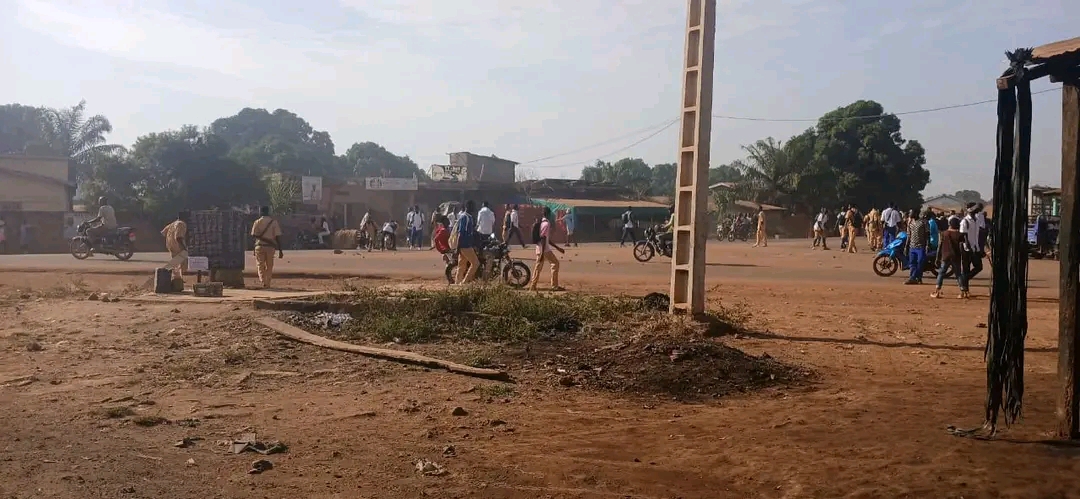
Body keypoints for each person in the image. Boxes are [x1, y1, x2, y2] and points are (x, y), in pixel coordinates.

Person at [529, 207, 565, 291]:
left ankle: (533, 286)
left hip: (540, 248)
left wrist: (557, 248)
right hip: (544, 249)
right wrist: (542, 253)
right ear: (548, 214)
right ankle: (554, 286)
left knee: (538, 268)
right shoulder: (547, 224)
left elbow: (546, 239)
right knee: (555, 263)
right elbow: (543, 238)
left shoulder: (542, 222)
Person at [931, 217, 969, 299]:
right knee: (958, 274)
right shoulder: (960, 235)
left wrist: (937, 258)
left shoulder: (944, 234)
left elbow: (939, 246)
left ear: (949, 225)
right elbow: (964, 246)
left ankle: (937, 291)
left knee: (941, 273)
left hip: (946, 256)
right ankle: (963, 291)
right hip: (956, 256)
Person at [250, 206, 283, 288]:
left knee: (260, 264)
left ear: (260, 212)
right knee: (269, 265)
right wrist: (280, 250)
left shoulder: (257, 222)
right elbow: (278, 237)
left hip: (259, 246)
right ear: (268, 212)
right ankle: (267, 282)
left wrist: (253, 247)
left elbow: (254, 235)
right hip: (270, 247)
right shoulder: (274, 222)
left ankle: (263, 279)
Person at [454, 201, 479, 284]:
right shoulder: (465, 217)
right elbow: (461, 233)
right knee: (475, 263)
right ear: (468, 207)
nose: (474, 209)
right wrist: (457, 247)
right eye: (473, 207)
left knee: (461, 265)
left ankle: (457, 283)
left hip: (466, 244)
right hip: (465, 245)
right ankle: (464, 282)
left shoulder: (468, 217)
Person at [161, 211, 190, 280]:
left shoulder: (172, 224)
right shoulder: (181, 224)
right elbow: (178, 237)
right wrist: (183, 247)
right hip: (178, 246)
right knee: (182, 264)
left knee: (175, 264)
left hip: (170, 245)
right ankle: (172, 277)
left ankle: (175, 278)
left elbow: (163, 233)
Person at [960, 203, 984, 282]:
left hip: (975, 247)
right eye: (976, 209)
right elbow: (964, 235)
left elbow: (978, 234)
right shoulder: (965, 221)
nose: (977, 210)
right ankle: (965, 289)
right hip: (966, 248)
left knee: (979, 267)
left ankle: (964, 279)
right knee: (966, 268)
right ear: (970, 209)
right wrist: (968, 245)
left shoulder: (977, 220)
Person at [905, 209, 929, 285]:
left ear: (916, 213)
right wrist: (906, 246)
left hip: (921, 246)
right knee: (912, 263)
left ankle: (918, 277)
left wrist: (927, 245)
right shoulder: (910, 223)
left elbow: (927, 234)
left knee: (920, 262)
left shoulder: (923, 222)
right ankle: (912, 278)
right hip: (912, 246)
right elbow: (909, 235)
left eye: (911, 212)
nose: (909, 214)